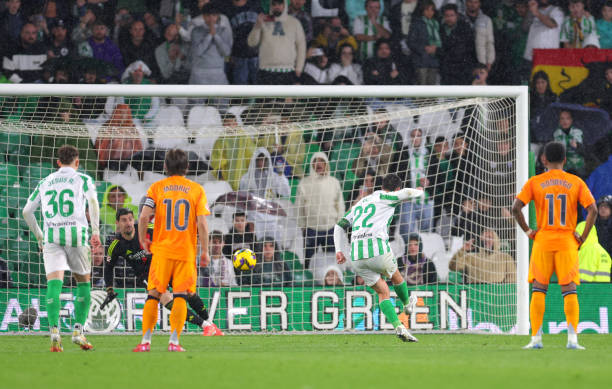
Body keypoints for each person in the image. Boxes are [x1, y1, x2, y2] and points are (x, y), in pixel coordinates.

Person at [512, 141, 597, 350]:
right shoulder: (575, 181)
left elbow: (516, 208)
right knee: (569, 290)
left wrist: (529, 231)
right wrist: (583, 237)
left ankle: (536, 339)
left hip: (543, 240)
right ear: (565, 160)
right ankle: (572, 340)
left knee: (539, 289)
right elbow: (593, 209)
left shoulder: (535, 182)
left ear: (544, 160)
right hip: (568, 241)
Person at [22, 145, 101, 352]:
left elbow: (26, 211)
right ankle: (77, 331)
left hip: (52, 237)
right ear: (77, 162)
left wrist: (39, 236)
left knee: (54, 282)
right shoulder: (83, 179)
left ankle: (54, 333)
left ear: (58, 162)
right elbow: (93, 201)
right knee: (83, 282)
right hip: (77, 236)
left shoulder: (45, 181)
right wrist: (96, 231)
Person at [134, 148, 212, 352]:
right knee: (180, 296)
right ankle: (174, 342)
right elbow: (202, 224)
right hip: (185, 252)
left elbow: (143, 217)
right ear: (187, 167)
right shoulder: (196, 190)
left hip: (161, 250)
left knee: (153, 294)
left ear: (165, 167)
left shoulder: (157, 188)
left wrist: (143, 240)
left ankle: (145, 342)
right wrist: (205, 251)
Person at [105, 208, 222, 335]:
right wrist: (110, 289)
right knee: (166, 299)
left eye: (130, 219)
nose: (128, 223)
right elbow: (108, 267)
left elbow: (169, 234)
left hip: (164, 264)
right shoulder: (115, 244)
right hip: (146, 275)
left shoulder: (147, 228)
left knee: (189, 292)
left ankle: (211, 324)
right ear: (117, 223)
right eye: (123, 220)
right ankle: (205, 326)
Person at [334, 173, 422, 342]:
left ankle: (398, 327)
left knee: (383, 292)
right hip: (377, 249)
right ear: (396, 189)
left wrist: (339, 250)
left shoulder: (362, 202)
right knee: (396, 277)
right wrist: (419, 191)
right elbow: (408, 193)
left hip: (356, 257)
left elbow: (339, 226)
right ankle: (406, 303)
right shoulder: (388, 197)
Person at [296, 152, 345, 269]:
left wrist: (340, 224)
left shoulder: (334, 182)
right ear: (312, 164)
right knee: (308, 261)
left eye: (321, 161)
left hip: (331, 228)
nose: (318, 164)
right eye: (315, 161)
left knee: (332, 261)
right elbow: (299, 207)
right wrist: (302, 226)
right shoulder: (304, 183)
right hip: (311, 229)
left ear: (326, 164)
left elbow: (340, 205)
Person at [247, 0, 307, 85]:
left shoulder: (295, 23)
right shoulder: (262, 21)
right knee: (265, 98)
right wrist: (257, 26)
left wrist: (299, 68)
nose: (277, 6)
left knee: (285, 98)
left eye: (280, 3)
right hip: (265, 71)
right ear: (270, 6)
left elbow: (301, 46)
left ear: (285, 5)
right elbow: (251, 43)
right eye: (274, 4)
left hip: (288, 71)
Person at [449, 228, 516, 283]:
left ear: (496, 240)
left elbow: (513, 277)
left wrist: (500, 289)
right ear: (480, 241)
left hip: (498, 295)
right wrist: (462, 250)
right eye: (484, 238)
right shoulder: (471, 257)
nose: (487, 240)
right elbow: (452, 267)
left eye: (490, 237)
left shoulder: (505, 257)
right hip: (476, 295)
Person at [189, 3, 233, 85]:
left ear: (218, 16)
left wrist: (216, 36)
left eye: (214, 15)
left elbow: (227, 52)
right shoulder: (196, 31)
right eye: (208, 15)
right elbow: (198, 52)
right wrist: (209, 35)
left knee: (223, 98)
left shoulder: (223, 30)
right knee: (196, 98)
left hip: (218, 72)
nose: (211, 19)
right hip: (199, 72)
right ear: (203, 16)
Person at [553, 110, 586, 178]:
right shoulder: (555, 134)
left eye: (567, 118)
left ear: (571, 120)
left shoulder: (579, 132)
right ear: (559, 121)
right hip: (563, 170)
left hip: (578, 169)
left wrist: (578, 146)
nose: (565, 121)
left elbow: (586, 152)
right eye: (562, 118)